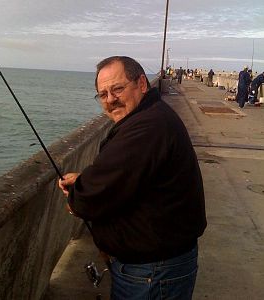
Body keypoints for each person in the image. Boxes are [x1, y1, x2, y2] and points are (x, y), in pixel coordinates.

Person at [59, 56, 207, 300]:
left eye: (117, 89)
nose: (110, 100)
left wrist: (79, 195)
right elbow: (131, 175)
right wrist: (87, 179)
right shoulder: (152, 116)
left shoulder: (147, 127)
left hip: (153, 273)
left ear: (141, 84)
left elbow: (89, 199)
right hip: (157, 265)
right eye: (103, 94)